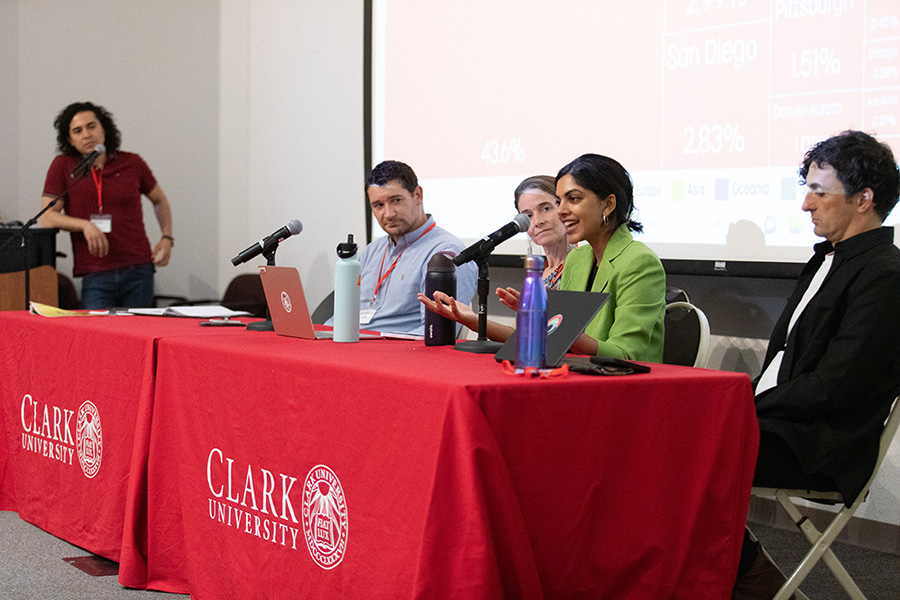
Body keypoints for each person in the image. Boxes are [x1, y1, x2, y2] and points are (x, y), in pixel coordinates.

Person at [733, 131, 900, 599]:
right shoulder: (826, 260)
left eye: (819, 192)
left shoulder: (885, 275)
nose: (807, 204)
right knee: (668, 434)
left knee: (682, 446)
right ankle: (737, 570)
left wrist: (747, 403)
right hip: (780, 422)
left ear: (864, 199)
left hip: (821, 444)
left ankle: (743, 574)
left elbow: (833, 388)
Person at [419, 154, 666, 361]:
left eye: (574, 199)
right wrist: (473, 320)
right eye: (560, 202)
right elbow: (543, 338)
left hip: (622, 391)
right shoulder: (579, 259)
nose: (562, 211)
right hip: (575, 380)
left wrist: (549, 320)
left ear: (608, 204)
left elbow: (625, 355)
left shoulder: (639, 263)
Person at [39, 102, 174, 309]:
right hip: (96, 272)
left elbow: (159, 200)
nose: (86, 134)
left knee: (138, 336)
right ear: (70, 140)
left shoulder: (132, 162)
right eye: (78, 130)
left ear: (104, 128)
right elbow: (48, 217)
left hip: (138, 269)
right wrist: (85, 225)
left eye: (91, 126)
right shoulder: (64, 166)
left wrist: (166, 237)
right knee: (96, 338)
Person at [327, 160, 476, 335]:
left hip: (395, 355)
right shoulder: (372, 251)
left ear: (418, 195)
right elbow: (341, 318)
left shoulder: (446, 253)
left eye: (396, 200)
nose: (388, 214)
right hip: (352, 346)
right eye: (378, 205)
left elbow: (435, 334)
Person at [513, 175, 574, 290]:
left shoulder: (585, 265)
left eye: (546, 209)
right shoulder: (539, 274)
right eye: (528, 216)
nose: (537, 222)